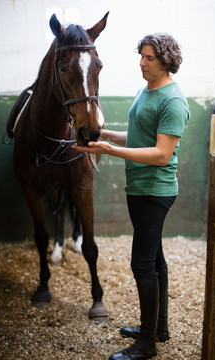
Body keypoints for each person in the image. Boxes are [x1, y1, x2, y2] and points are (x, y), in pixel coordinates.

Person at [72, 32, 190, 360]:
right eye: (142, 56)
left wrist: (111, 151)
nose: (142, 62)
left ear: (165, 60)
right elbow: (139, 136)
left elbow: (161, 154)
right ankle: (158, 328)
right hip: (139, 188)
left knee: (142, 264)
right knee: (156, 260)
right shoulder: (147, 90)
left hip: (154, 190)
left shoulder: (173, 100)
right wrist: (103, 136)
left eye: (149, 58)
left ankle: (147, 344)